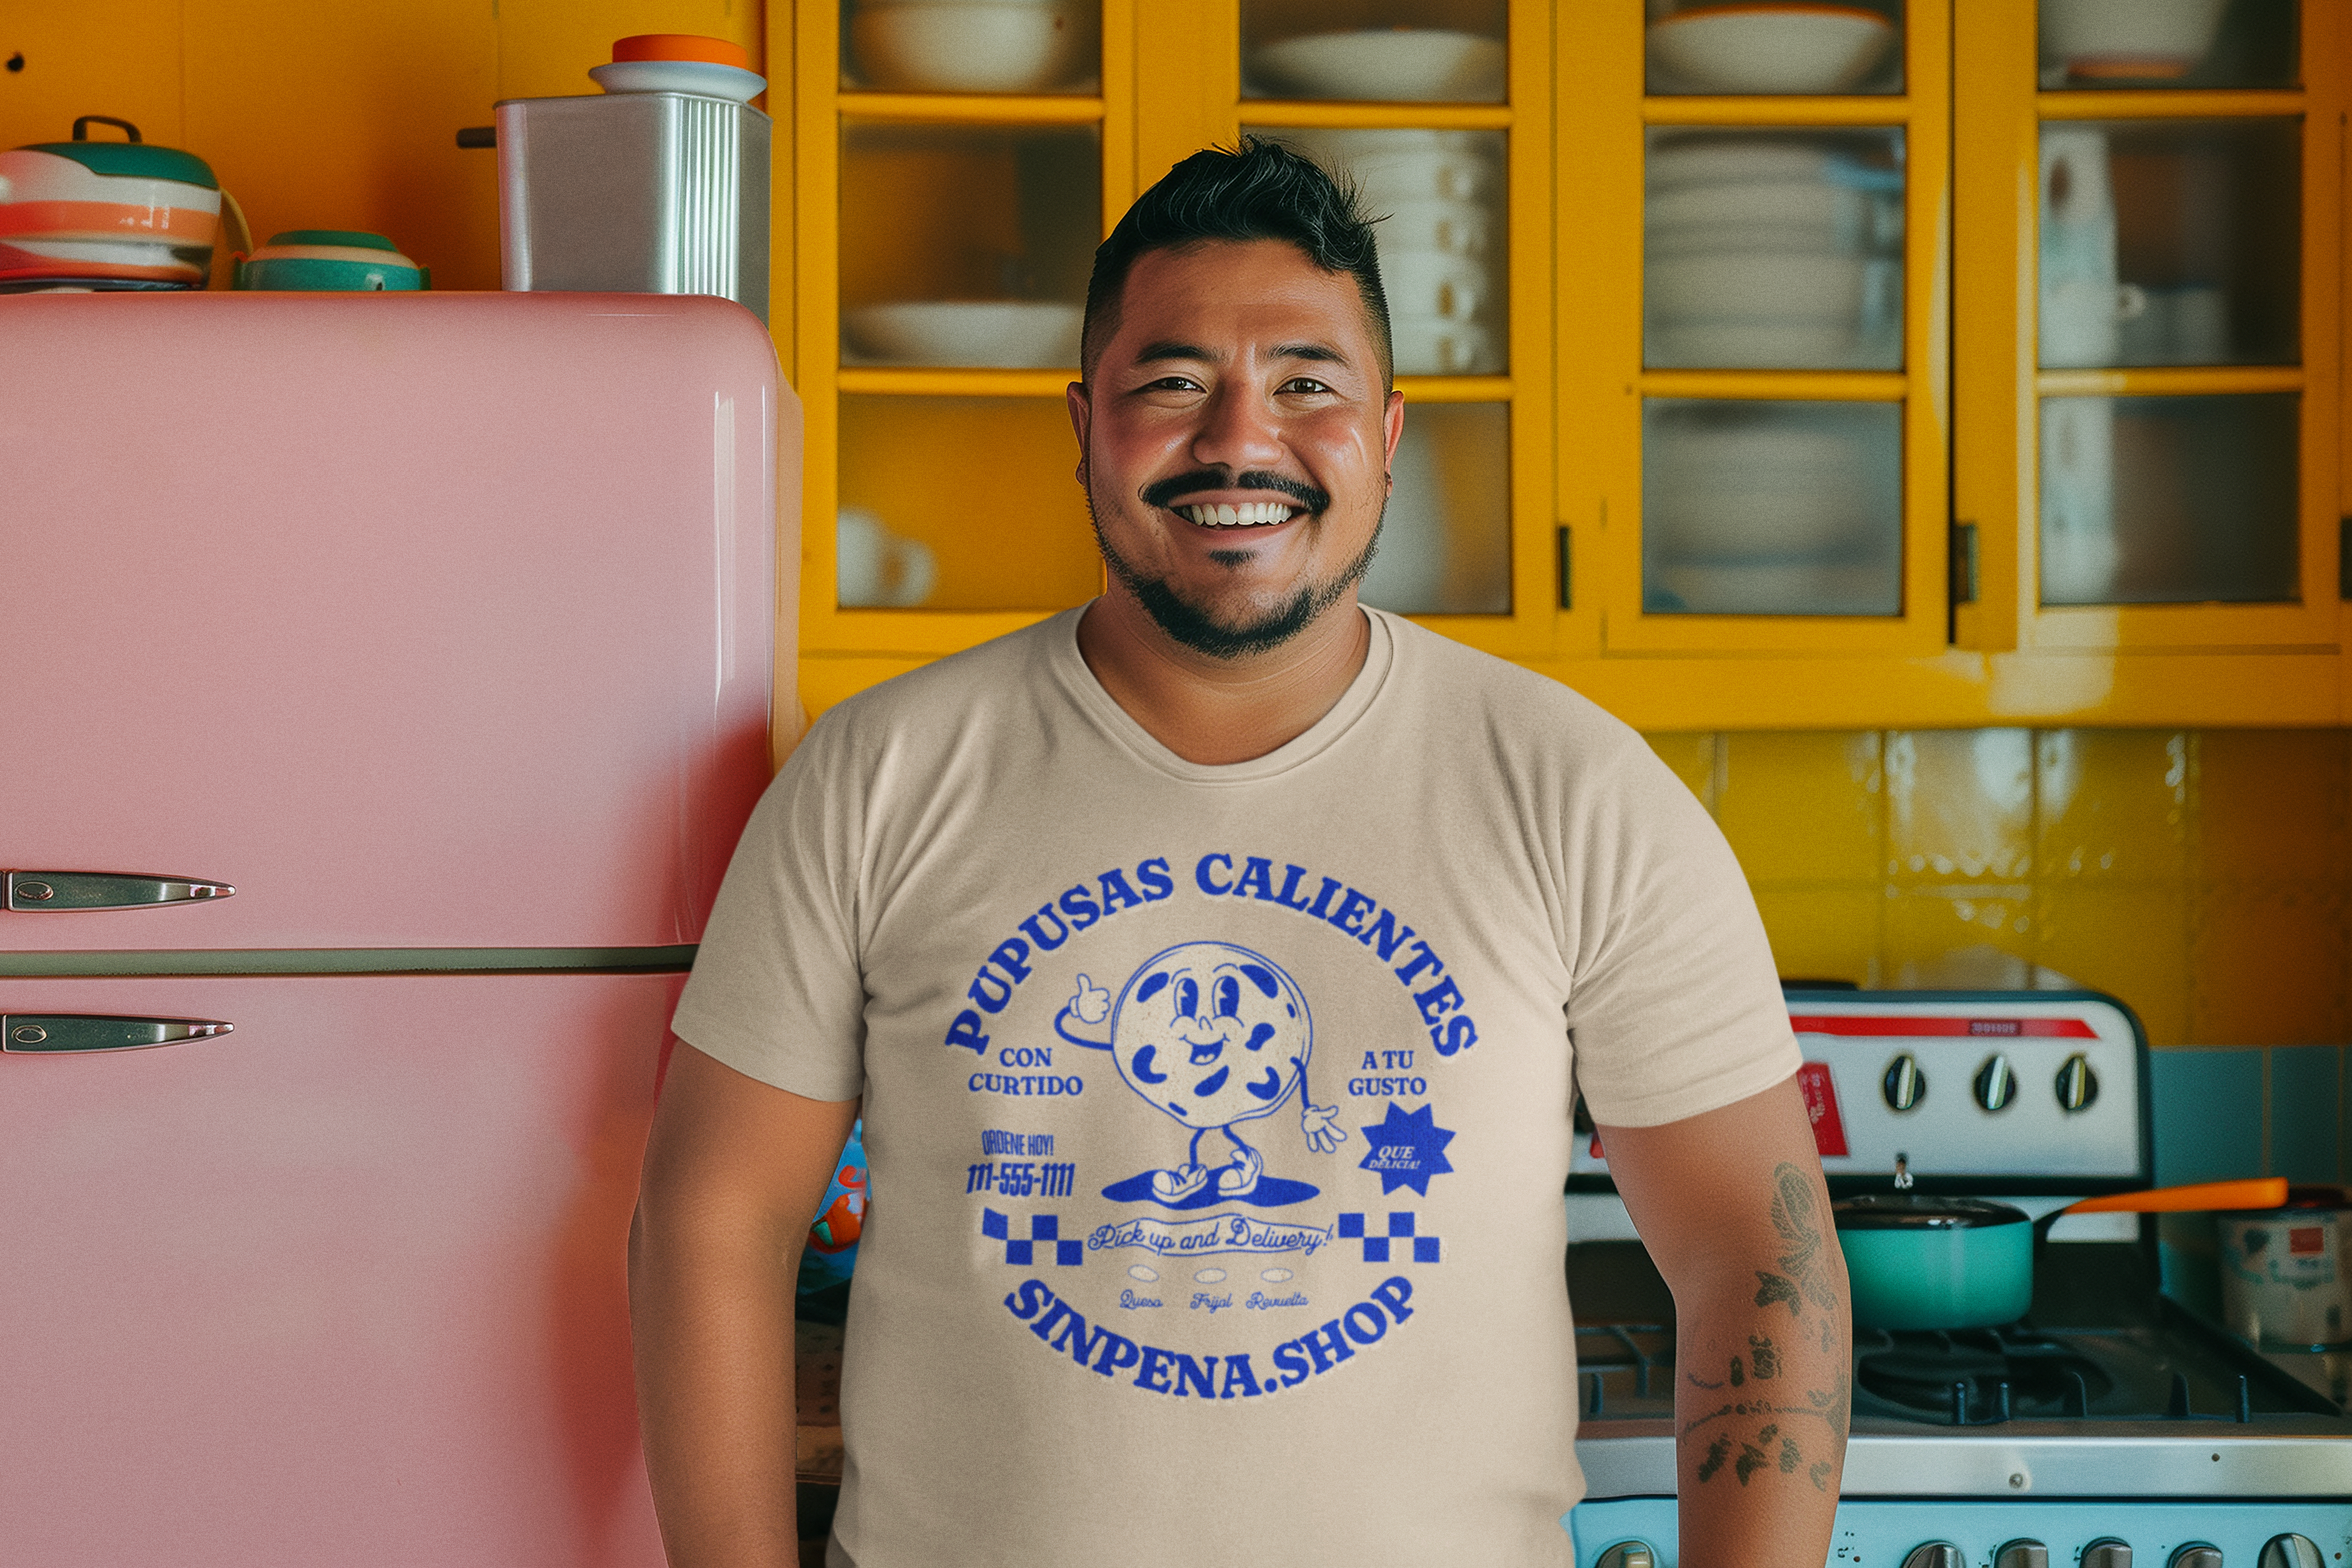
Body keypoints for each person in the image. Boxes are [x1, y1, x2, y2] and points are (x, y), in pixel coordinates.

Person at [630, 139, 1849, 1568]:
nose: (1239, 440)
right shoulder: (880, 774)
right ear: (1085, 426)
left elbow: (1755, 1253)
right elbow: (715, 1221)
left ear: (1387, 436)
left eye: (1306, 386)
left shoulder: (1577, 790)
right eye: (1173, 383)